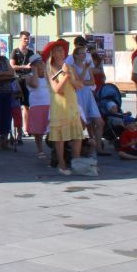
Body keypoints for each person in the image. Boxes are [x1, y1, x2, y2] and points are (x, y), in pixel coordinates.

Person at [43, 39, 84, 175]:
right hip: (59, 105)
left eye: (63, 50)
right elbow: (57, 89)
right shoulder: (49, 69)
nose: (62, 53)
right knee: (60, 138)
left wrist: (71, 76)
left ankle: (76, 162)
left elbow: (79, 85)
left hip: (72, 103)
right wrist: (65, 75)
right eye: (59, 50)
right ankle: (61, 164)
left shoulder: (69, 67)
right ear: (53, 53)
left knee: (77, 136)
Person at [24, 54, 50, 159]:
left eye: (42, 62)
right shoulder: (28, 76)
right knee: (38, 131)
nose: (42, 64)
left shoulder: (48, 75)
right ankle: (40, 150)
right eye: (39, 63)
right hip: (37, 105)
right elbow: (34, 84)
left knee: (52, 128)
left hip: (50, 104)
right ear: (34, 65)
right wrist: (34, 71)